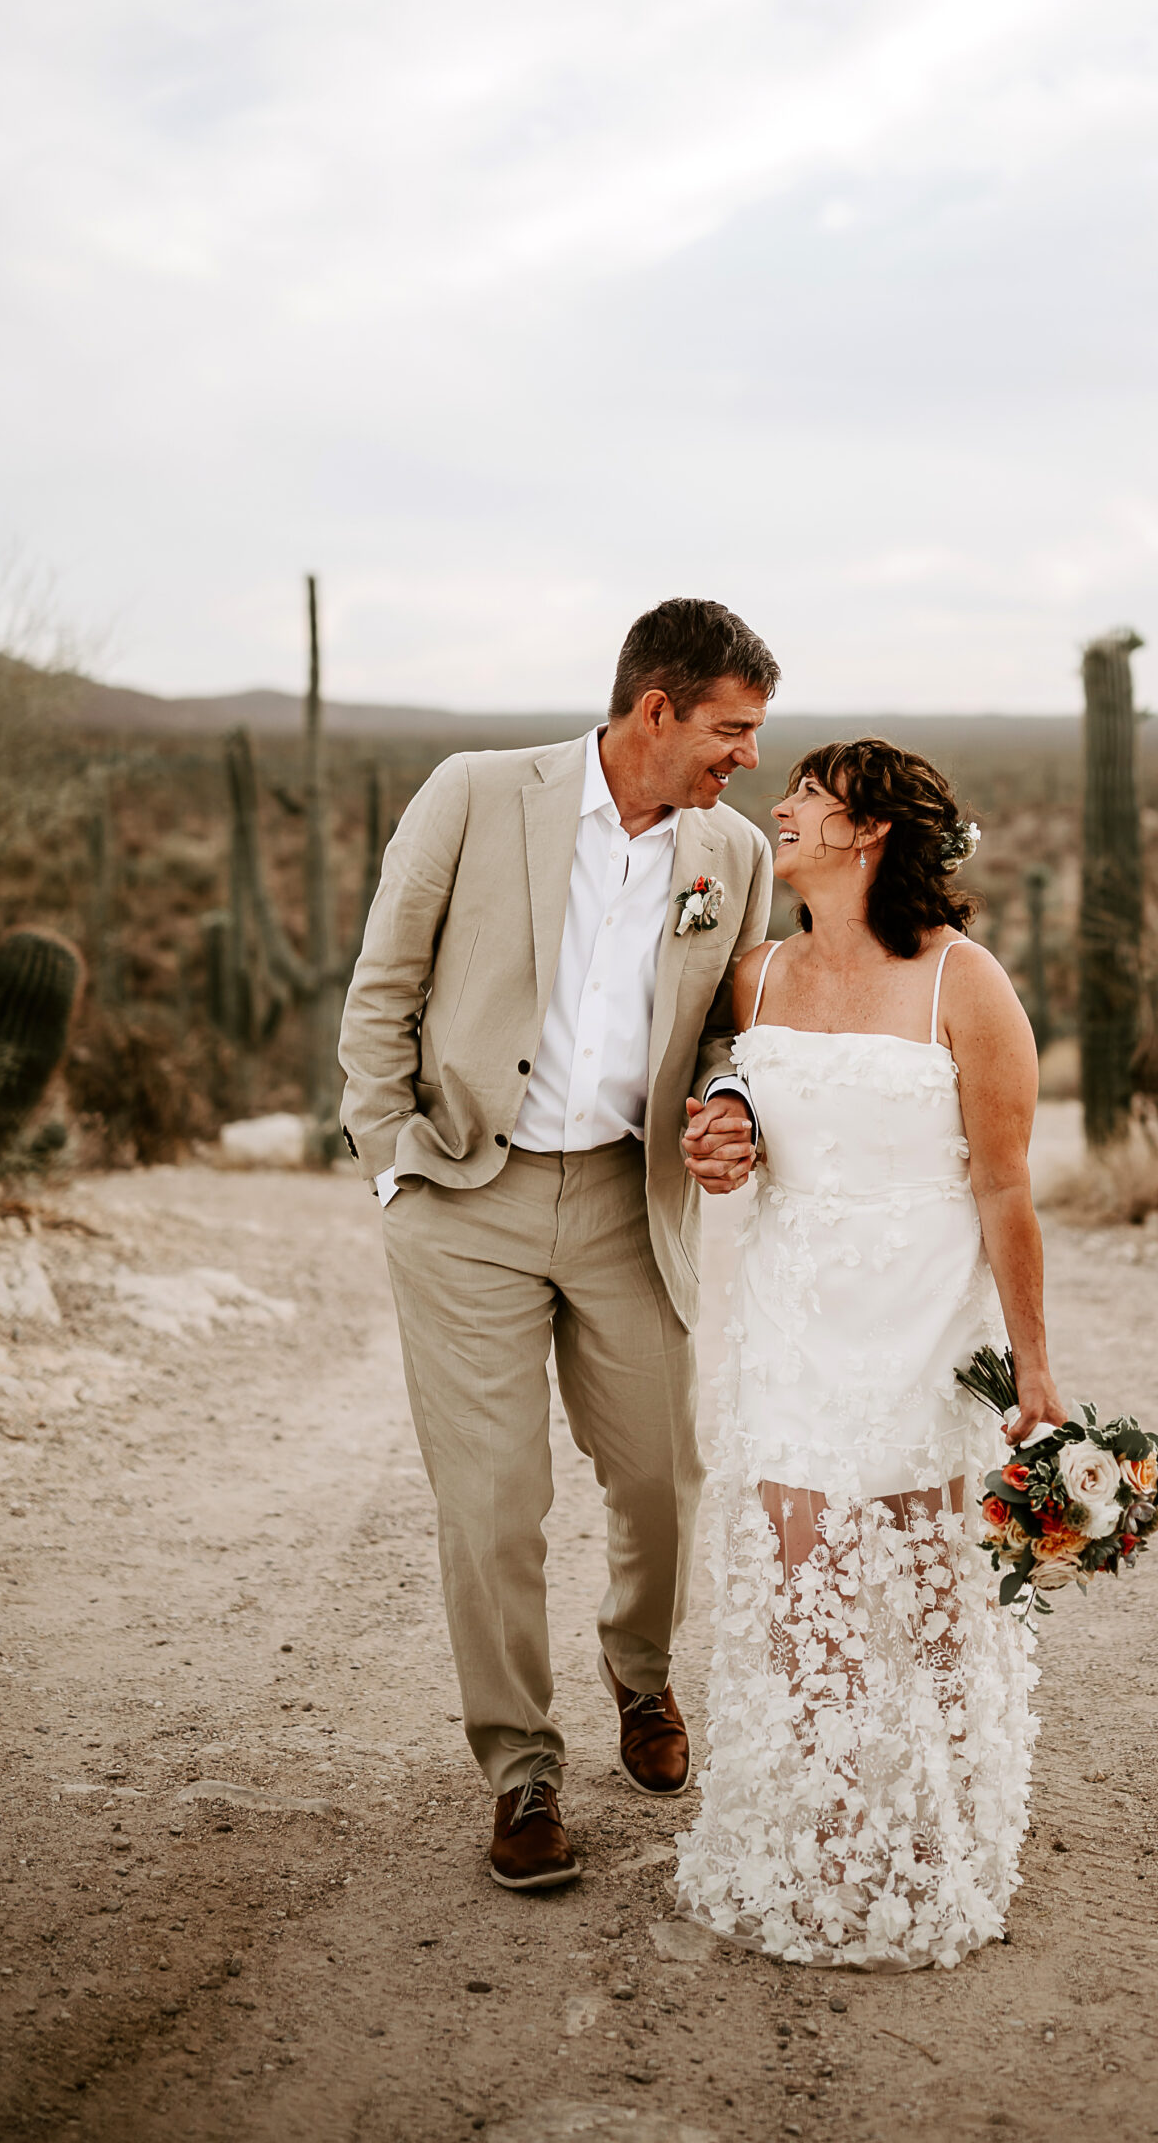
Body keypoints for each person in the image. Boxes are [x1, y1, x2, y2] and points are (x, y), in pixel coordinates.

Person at [338, 599, 774, 1892]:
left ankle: (639, 1680)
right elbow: (383, 994)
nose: (744, 755)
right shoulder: (474, 795)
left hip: (629, 1207)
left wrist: (731, 1103)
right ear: (656, 711)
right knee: (491, 1504)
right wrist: (392, 1175)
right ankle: (520, 1768)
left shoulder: (733, 854)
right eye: (730, 729)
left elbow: (728, 1034)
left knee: (658, 1477)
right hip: (465, 1197)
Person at [672, 739, 1063, 1969]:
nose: (779, 807)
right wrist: (723, 1116)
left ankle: (950, 1820)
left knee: (930, 1591)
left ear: (874, 832)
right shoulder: (755, 974)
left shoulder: (966, 983)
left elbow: (1006, 1187)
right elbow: (717, 1081)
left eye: (809, 798)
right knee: (807, 1586)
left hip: (926, 1323)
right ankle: (836, 1830)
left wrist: (1038, 1372)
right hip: (792, 1317)